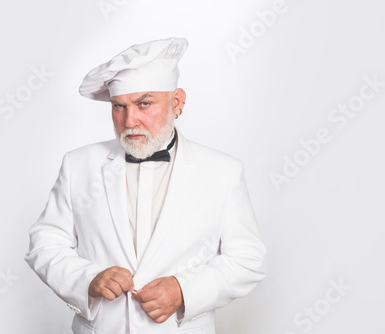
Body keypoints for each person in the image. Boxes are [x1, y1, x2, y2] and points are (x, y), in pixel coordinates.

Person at [25, 37, 266, 334]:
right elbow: (46, 242)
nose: (130, 120)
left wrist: (184, 290)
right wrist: (87, 279)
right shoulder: (79, 165)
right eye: (119, 107)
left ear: (176, 102)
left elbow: (248, 258)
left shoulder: (223, 171)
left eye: (144, 104)